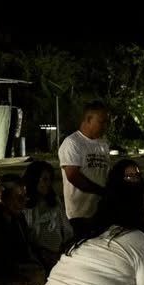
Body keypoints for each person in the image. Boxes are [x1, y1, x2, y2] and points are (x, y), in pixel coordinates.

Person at [58, 101, 110, 239]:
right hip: (78, 214)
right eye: (101, 122)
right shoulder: (72, 143)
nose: (105, 126)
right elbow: (73, 176)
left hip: (98, 211)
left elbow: (105, 174)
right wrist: (100, 191)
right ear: (88, 119)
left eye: (106, 122)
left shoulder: (103, 144)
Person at [22, 160, 74, 270]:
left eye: (50, 179)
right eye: (44, 179)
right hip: (36, 257)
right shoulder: (24, 205)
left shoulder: (53, 202)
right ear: (34, 179)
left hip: (58, 254)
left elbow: (66, 229)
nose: (48, 183)